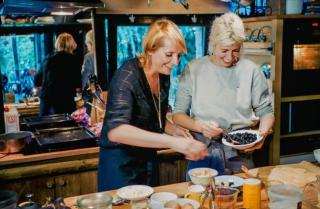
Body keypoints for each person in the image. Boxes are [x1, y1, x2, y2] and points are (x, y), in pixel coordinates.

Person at [97, 19, 208, 191]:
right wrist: (173, 142)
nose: (176, 62)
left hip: (147, 158)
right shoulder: (127, 77)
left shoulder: (163, 75)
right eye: (169, 54)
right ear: (150, 49)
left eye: (179, 55)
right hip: (120, 165)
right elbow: (116, 131)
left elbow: (153, 117)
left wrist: (174, 130)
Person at [172, 13, 275, 179]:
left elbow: (266, 112)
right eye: (224, 50)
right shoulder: (194, 69)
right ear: (213, 43)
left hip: (240, 155)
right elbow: (178, 115)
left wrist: (261, 134)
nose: (229, 58)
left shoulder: (251, 70)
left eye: (235, 51)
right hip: (201, 152)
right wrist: (200, 127)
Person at [37, 32, 82, 116]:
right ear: (72, 44)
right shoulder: (74, 60)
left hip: (47, 103)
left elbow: (37, 80)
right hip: (65, 102)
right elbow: (78, 83)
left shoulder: (48, 58)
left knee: (45, 126)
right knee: (65, 126)